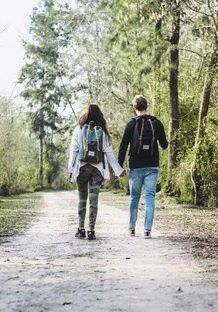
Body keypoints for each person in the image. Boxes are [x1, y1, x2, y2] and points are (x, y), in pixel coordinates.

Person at [67, 104, 126, 240]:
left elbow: (74, 152)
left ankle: (81, 229)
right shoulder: (102, 132)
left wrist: (70, 170)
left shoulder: (78, 130)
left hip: (81, 169)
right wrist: (119, 171)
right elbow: (109, 155)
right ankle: (91, 231)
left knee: (82, 199)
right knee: (94, 201)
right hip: (97, 170)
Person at [118, 95, 168, 239]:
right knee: (150, 197)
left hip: (136, 167)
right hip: (152, 166)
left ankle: (132, 228)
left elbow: (123, 146)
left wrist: (119, 167)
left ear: (134, 108)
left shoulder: (131, 124)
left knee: (134, 197)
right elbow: (164, 145)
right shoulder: (156, 123)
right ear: (147, 106)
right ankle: (147, 230)